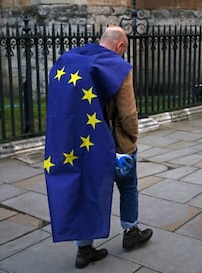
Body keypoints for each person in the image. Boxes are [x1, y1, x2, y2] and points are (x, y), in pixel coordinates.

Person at [44, 25, 152, 269]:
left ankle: (84, 249)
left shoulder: (71, 62)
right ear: (120, 46)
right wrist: (131, 140)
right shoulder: (118, 67)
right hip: (114, 143)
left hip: (80, 146)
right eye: (124, 50)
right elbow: (127, 113)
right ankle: (130, 232)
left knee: (87, 191)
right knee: (128, 185)